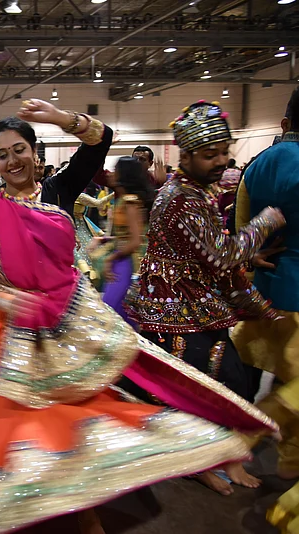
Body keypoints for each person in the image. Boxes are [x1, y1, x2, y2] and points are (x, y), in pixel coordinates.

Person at [0, 99, 278, 534]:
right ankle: (17, 506)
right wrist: (7, 299)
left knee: (81, 421)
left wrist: (59, 118)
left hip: (71, 327)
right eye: (2, 154)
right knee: (12, 427)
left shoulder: (58, 191)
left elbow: (101, 140)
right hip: (13, 334)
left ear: (35, 154)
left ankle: (85, 510)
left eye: (19, 149)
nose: (13, 160)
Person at [128, 100, 286, 495]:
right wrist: (266, 221)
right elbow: (224, 255)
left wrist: (258, 306)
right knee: (199, 391)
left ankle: (223, 458)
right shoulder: (182, 198)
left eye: (223, 151)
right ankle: (200, 464)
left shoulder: (196, 190)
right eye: (208, 154)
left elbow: (220, 260)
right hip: (175, 311)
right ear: (187, 154)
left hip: (193, 305)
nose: (220, 161)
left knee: (227, 384)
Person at [232, 87, 299, 481]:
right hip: (297, 299)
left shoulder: (255, 167)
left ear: (285, 122)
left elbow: (241, 229)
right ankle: (287, 462)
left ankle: (232, 447)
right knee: (291, 386)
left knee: (247, 379)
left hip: (260, 293)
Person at [90, 156, 155, 320]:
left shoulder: (130, 202)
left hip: (128, 261)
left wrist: (110, 259)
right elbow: (124, 235)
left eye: (115, 170)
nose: (111, 174)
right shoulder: (122, 200)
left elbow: (135, 240)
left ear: (123, 175)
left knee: (114, 309)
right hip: (122, 257)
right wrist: (105, 240)